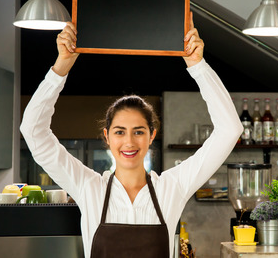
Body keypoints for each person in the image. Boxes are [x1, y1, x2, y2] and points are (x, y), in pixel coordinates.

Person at [20, 15, 243, 258]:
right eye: (119, 132)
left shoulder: (172, 188)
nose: (129, 142)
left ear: (151, 135)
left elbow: (230, 129)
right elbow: (32, 130)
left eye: (138, 132)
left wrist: (197, 66)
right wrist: (60, 67)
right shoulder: (89, 187)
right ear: (107, 137)